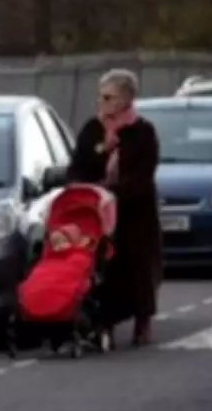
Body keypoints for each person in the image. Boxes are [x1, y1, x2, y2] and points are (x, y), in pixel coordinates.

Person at [67, 68, 162, 347]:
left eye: (108, 97)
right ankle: (103, 321)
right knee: (103, 265)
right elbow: (77, 165)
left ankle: (143, 320)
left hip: (134, 211)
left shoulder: (143, 132)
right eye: (100, 96)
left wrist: (114, 192)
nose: (102, 103)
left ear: (126, 100)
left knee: (139, 266)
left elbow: (144, 174)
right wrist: (80, 187)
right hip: (97, 210)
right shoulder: (92, 129)